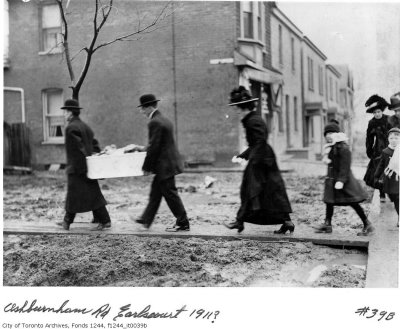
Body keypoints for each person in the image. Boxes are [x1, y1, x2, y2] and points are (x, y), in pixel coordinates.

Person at [224, 86, 294, 234]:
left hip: (261, 161)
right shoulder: (252, 119)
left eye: (237, 107)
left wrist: (253, 161)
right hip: (263, 158)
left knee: (252, 190)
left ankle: (240, 221)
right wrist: (243, 155)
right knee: (270, 192)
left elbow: (260, 141)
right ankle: (286, 221)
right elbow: (257, 142)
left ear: (243, 107)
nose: (236, 110)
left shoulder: (252, 121)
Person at [133, 94, 190, 232]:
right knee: (156, 193)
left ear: (149, 107)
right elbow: (160, 144)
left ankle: (183, 223)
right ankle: (146, 220)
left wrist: (146, 167)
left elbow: (155, 147)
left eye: (142, 108)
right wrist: (142, 148)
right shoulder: (164, 120)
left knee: (170, 194)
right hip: (168, 164)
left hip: (164, 165)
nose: (141, 112)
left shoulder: (154, 122)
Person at [57, 99, 111, 231]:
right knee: (92, 195)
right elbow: (95, 145)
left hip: (77, 168)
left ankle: (67, 222)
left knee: (74, 196)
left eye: (65, 112)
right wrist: (94, 163)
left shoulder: (71, 128)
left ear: (70, 112)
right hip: (87, 167)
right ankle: (105, 220)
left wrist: (81, 169)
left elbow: (77, 150)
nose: (64, 115)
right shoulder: (85, 127)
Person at [315, 121, 374, 236]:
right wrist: (327, 158)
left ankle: (367, 224)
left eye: (331, 133)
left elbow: (345, 166)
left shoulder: (343, 147)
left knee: (353, 202)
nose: (328, 135)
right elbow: (332, 163)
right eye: (326, 133)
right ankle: (327, 224)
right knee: (329, 202)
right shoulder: (331, 147)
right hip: (332, 180)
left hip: (344, 181)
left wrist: (341, 181)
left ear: (337, 134)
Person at [363, 94, 391, 202]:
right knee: (379, 173)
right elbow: (369, 138)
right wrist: (369, 150)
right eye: (374, 112)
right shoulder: (372, 123)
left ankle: (393, 194)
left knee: (391, 171)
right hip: (378, 151)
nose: (377, 114)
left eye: (378, 112)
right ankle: (382, 195)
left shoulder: (389, 119)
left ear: (382, 111)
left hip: (390, 148)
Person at [374, 127, 400, 227]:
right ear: (388, 139)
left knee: (398, 198)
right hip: (390, 178)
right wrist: (376, 176)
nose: (394, 141)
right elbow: (381, 164)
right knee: (393, 197)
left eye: (396, 138)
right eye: (391, 138)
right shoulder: (386, 151)